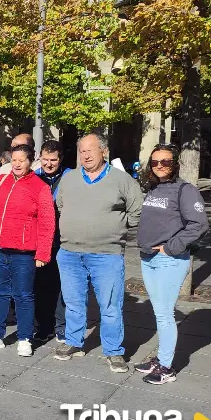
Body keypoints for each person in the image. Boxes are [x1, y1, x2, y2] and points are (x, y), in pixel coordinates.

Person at [54, 133, 142, 373]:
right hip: (70, 252)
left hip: (107, 254)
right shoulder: (69, 178)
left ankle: (113, 351)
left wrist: (117, 228)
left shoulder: (122, 180)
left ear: (104, 151)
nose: (86, 155)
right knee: (73, 302)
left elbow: (137, 210)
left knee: (110, 306)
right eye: (82, 151)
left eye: (91, 150)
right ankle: (73, 342)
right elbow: (61, 206)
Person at [134, 144, 208, 384]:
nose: (159, 166)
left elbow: (199, 225)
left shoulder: (185, 190)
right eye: (155, 162)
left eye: (165, 162)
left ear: (174, 164)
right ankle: (160, 359)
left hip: (169, 260)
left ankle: (166, 368)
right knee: (160, 313)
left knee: (165, 315)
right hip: (149, 259)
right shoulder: (154, 188)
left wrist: (170, 247)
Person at [0, 144, 56, 357]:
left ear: (31, 161)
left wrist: (43, 253)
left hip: (23, 252)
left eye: (22, 160)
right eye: (14, 160)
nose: (17, 164)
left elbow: (47, 223)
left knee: (23, 295)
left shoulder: (40, 187)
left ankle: (24, 337)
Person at [33, 140, 71, 343]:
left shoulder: (70, 177)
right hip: (39, 241)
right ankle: (43, 326)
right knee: (41, 286)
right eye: (45, 159)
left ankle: (61, 326)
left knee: (62, 287)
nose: (48, 164)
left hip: (63, 241)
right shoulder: (34, 177)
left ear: (60, 159)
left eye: (53, 160)